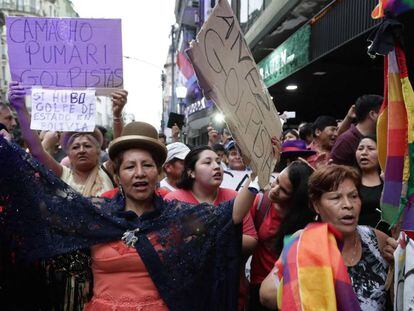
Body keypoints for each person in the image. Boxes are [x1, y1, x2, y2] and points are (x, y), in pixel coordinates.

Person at [0, 121, 268, 311]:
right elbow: (40, 202)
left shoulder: (177, 217)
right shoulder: (96, 214)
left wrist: (260, 171)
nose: (139, 173)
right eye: (130, 166)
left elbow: (229, 215)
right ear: (117, 175)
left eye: (147, 165)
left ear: (159, 173)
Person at [260, 165, 396, 311]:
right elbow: (267, 295)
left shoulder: (377, 240)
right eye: (336, 197)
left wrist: (397, 263)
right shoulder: (303, 241)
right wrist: (310, 278)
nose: (348, 205)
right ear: (316, 205)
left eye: (353, 196)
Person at [164, 145, 258, 310]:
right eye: (207, 162)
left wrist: (205, 237)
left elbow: (251, 240)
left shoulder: (235, 198)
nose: (216, 166)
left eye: (218, 162)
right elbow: (171, 246)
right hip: (190, 292)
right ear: (191, 172)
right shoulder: (174, 201)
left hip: (230, 288)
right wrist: (226, 233)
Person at [249, 161, 315, 311]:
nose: (274, 189)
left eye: (284, 190)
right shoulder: (261, 203)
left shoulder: (307, 219)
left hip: (290, 290)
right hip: (257, 284)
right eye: (277, 181)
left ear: (296, 197)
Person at [330, 95, 383, 166]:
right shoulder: (345, 141)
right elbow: (334, 174)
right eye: (384, 112)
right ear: (373, 114)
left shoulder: (381, 137)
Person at [355, 136, 384, 229]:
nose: (364, 153)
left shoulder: (389, 182)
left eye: (370, 149)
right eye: (360, 148)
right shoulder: (350, 181)